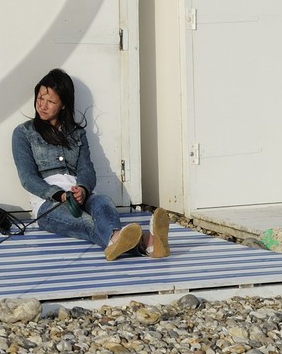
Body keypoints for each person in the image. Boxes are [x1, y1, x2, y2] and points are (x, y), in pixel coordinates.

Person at [12, 69, 169, 262]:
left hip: (79, 195)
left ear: (63, 105)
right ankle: (145, 242)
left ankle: (126, 241)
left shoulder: (77, 134)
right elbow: (27, 178)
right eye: (40, 98)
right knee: (85, 222)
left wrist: (84, 190)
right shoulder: (23, 133)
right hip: (48, 204)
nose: (42, 106)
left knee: (103, 202)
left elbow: (87, 169)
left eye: (51, 101)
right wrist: (58, 194)